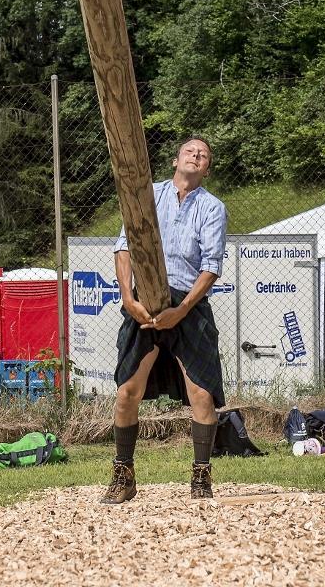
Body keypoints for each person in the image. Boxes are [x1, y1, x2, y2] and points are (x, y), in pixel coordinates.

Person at [101, 137, 228, 504]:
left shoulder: (212, 208)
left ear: (207, 168)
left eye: (204, 154)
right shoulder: (147, 194)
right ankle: (123, 475)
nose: (197, 155)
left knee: (202, 391)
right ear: (175, 159)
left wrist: (183, 309)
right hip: (143, 302)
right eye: (190, 150)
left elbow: (211, 267)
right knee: (127, 390)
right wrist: (128, 299)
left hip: (187, 304)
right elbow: (123, 247)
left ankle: (201, 478)